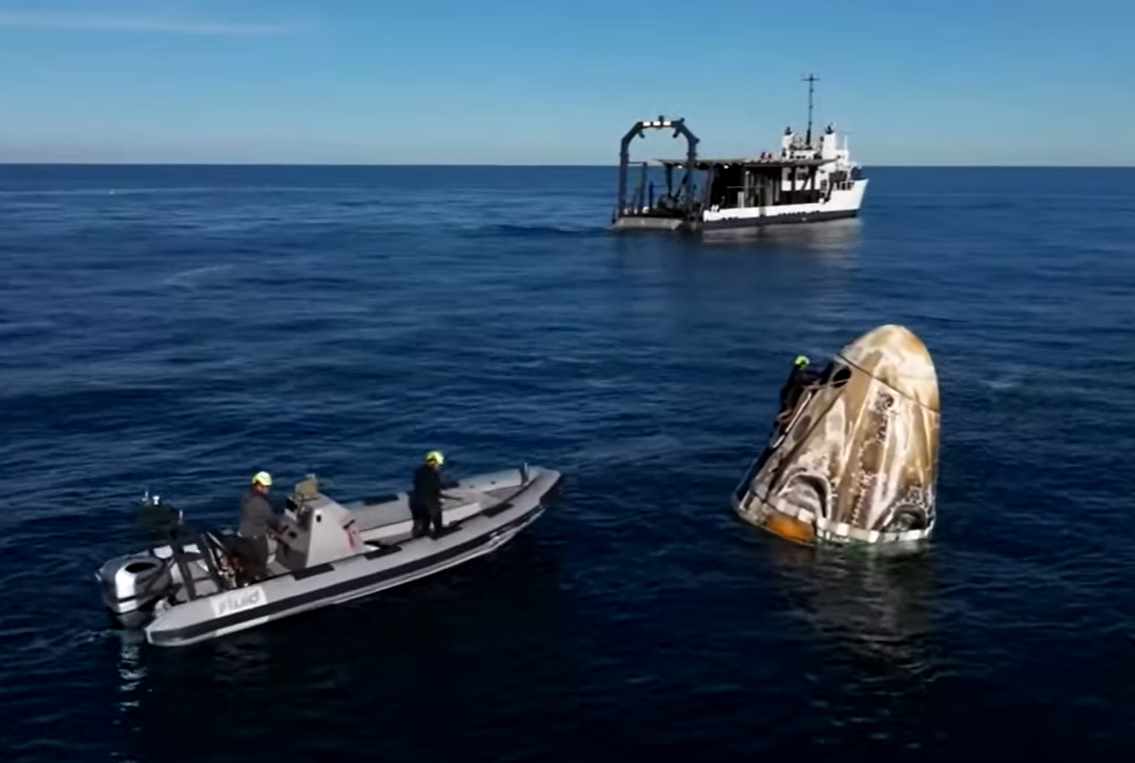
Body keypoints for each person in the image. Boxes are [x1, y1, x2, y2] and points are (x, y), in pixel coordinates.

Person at [238, 470, 282, 576]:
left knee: (250, 559)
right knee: (261, 560)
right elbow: (272, 520)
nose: (268, 489)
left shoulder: (247, 496)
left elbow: (256, 516)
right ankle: (259, 579)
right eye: (265, 486)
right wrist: (279, 529)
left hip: (243, 532)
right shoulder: (261, 503)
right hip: (256, 536)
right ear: (258, 486)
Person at [411, 451, 456, 539]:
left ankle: (421, 534)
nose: (439, 466)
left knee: (422, 520)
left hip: (415, 501)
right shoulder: (433, 475)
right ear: (433, 463)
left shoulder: (419, 471)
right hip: (427, 502)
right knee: (436, 512)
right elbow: (436, 490)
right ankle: (439, 532)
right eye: (438, 464)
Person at [777, 355, 820, 428]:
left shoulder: (795, 372)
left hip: (787, 394)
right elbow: (805, 380)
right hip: (791, 396)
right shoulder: (799, 375)